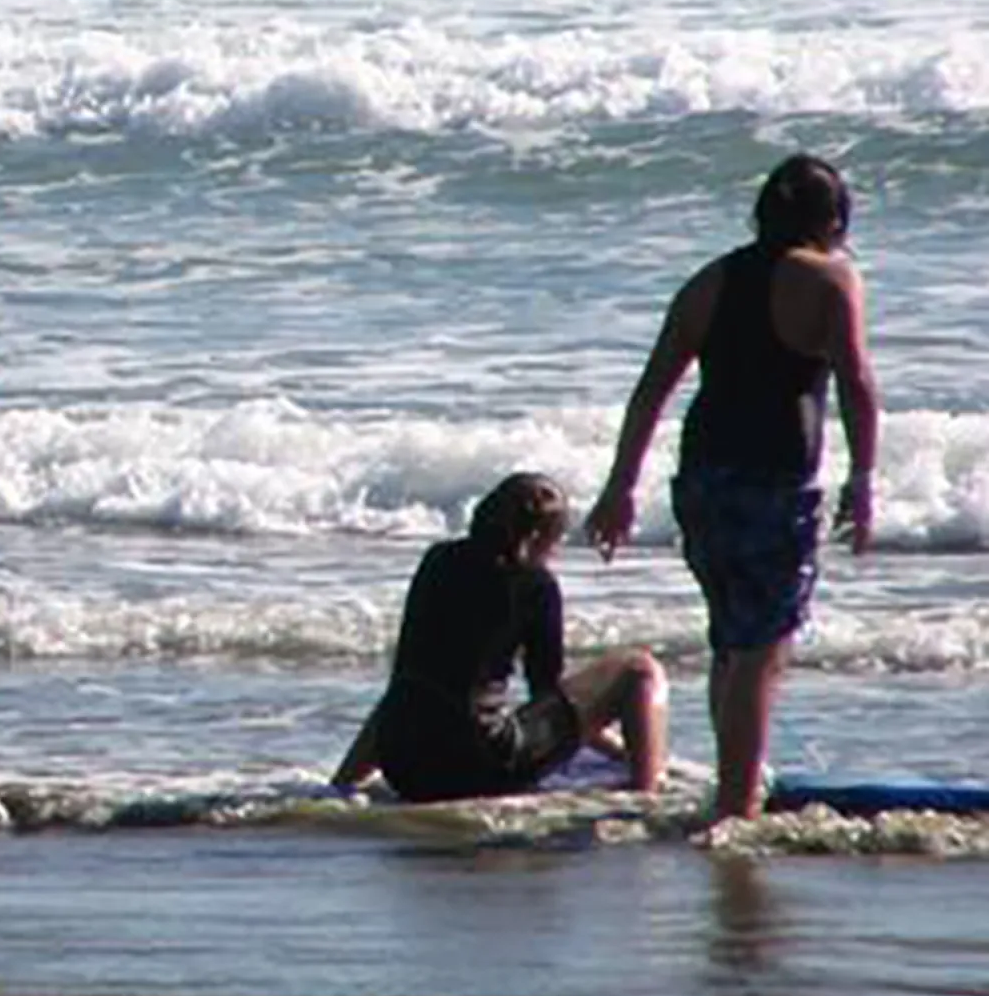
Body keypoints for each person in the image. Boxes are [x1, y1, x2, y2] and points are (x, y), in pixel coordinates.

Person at [584, 153, 880, 821]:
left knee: (731, 641)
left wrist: (620, 488)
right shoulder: (832, 279)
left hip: (703, 482)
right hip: (772, 481)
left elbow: (650, 391)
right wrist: (862, 480)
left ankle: (732, 786)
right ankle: (736, 804)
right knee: (762, 647)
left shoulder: (708, 282)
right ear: (832, 220)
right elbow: (857, 386)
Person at [331, 471, 669, 802]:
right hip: (481, 766)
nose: (555, 552)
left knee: (415, 685)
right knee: (638, 669)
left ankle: (341, 784)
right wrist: (618, 750)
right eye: (556, 541)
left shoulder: (437, 560)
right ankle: (647, 792)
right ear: (537, 536)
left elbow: (407, 675)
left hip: (404, 767)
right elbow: (546, 693)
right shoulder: (536, 584)